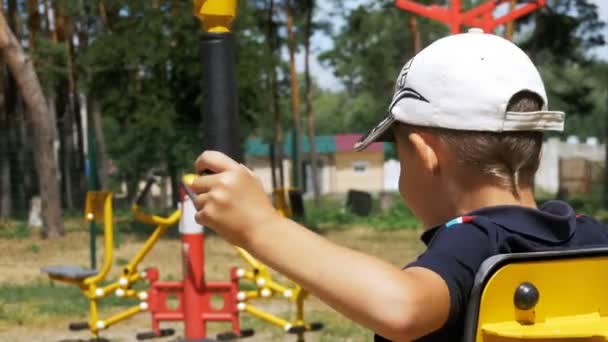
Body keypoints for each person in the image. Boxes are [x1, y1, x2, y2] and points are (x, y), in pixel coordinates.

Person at [191, 29, 608, 341]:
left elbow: (402, 307)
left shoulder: (474, 243)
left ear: (424, 153)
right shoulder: (591, 238)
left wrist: (260, 226)